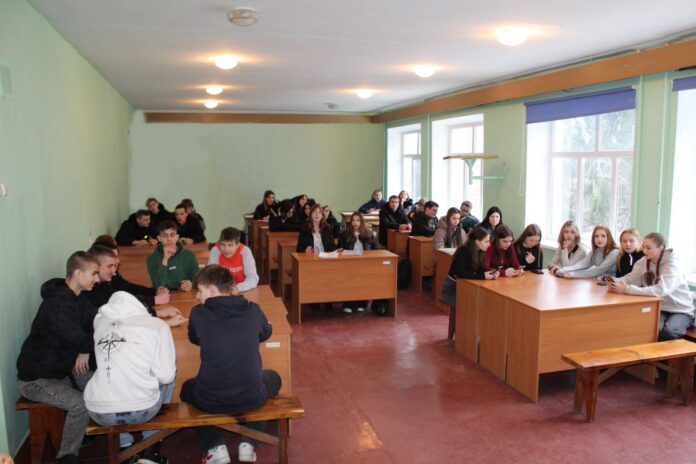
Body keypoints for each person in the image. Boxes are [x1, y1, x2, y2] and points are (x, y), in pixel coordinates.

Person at [181, 265, 281, 464]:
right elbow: (266, 332)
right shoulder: (253, 309)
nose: (197, 296)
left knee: (187, 388)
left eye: (200, 291)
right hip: (251, 396)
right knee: (274, 378)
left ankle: (214, 446)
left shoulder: (198, 313)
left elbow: (194, 337)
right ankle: (249, 442)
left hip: (210, 399)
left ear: (211, 289)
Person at [16, 252, 100, 464]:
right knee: (80, 404)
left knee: (100, 385)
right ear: (78, 273)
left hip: (60, 370)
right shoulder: (57, 305)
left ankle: (85, 432)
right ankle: (67, 457)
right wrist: (84, 347)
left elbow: (96, 321)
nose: (97, 279)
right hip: (36, 379)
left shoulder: (78, 297)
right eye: (94, 273)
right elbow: (77, 337)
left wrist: (85, 349)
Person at [84, 292, 176, 464]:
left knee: (111, 377)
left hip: (99, 412)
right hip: (142, 410)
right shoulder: (157, 325)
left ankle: (125, 446)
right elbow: (166, 376)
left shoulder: (100, 323)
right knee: (168, 379)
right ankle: (151, 447)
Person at [609, 233, 695, 340]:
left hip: (681, 310)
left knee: (669, 332)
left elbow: (661, 290)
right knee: (651, 329)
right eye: (644, 247)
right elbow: (631, 278)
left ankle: (666, 352)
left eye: (648, 248)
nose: (644, 251)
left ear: (660, 248)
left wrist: (627, 289)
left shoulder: (672, 264)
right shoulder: (644, 261)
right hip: (660, 307)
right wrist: (613, 281)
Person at [85, 245, 184, 326]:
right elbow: (118, 320)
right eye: (109, 266)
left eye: (114, 266)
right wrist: (162, 320)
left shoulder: (103, 284)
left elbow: (125, 304)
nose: (114, 270)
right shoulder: (89, 291)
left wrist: (155, 305)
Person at [441, 228, 500, 307]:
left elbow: (481, 269)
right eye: (486, 241)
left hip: (466, 285)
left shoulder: (480, 251)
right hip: (453, 287)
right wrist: (483, 276)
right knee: (472, 305)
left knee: (481, 303)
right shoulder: (463, 250)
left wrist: (492, 273)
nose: (489, 244)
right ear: (477, 242)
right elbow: (460, 273)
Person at [337, 212, 381, 313]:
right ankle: (348, 304)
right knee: (349, 282)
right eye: (353, 220)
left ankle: (362, 303)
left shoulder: (369, 234)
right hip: (349, 263)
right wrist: (340, 251)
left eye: (358, 220)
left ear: (361, 222)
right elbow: (339, 248)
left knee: (363, 282)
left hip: (365, 263)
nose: (355, 223)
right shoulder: (344, 234)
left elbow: (376, 248)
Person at [147, 220, 199, 291]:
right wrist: (165, 260)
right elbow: (158, 286)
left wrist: (190, 283)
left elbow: (196, 279)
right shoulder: (152, 258)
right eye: (165, 236)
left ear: (177, 237)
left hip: (186, 293)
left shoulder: (189, 255)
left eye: (172, 235)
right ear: (159, 238)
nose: (169, 239)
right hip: (165, 294)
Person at [553, 225, 619, 278]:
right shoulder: (596, 251)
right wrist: (562, 270)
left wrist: (573, 274)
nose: (599, 239)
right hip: (601, 282)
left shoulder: (614, 253)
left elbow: (598, 270)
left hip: (614, 284)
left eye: (603, 236)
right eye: (596, 236)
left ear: (609, 238)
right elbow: (581, 264)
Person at [208, 227, 259, 292]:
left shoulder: (245, 251)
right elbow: (210, 275)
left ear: (237, 245)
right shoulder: (216, 250)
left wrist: (239, 288)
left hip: (243, 290)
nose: (226, 249)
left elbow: (253, 278)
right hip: (221, 290)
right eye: (222, 245)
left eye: (230, 245)